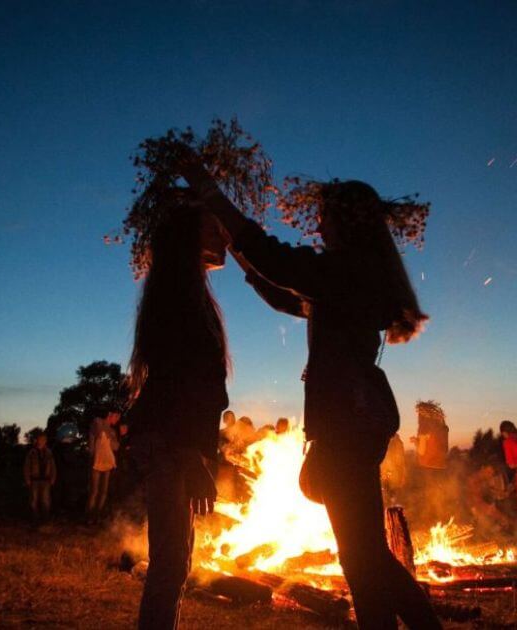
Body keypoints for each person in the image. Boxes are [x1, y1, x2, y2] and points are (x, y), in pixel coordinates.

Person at [185, 162, 441, 629]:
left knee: (363, 558)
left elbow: (281, 263)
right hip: (350, 426)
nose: (318, 224)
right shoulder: (349, 278)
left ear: (345, 222)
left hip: (348, 427)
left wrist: (211, 192)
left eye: (325, 216)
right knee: (366, 555)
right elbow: (287, 294)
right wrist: (242, 255)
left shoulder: (349, 272)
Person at [124, 206, 230, 630]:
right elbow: (179, 383)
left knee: (175, 562)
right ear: (190, 240)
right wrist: (191, 456)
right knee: (170, 563)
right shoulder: (177, 299)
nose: (222, 236)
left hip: (171, 442)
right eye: (212, 229)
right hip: (171, 443)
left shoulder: (182, 293)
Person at [87, 410, 120, 519]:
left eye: (118, 418)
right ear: (110, 415)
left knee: (103, 492)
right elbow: (97, 431)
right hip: (96, 462)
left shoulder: (112, 432)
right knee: (94, 491)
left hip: (107, 464)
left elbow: (116, 447)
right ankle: (90, 515)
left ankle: (98, 514)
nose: (117, 419)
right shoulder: (98, 422)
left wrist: (109, 440)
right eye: (116, 416)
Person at [24, 430, 57, 523]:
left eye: (43, 439)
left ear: (45, 441)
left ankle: (45, 519)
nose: (41, 441)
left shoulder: (49, 453)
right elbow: (26, 467)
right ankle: (35, 519)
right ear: (37, 440)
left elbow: (53, 466)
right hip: (34, 480)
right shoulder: (32, 453)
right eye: (40, 439)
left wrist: (53, 478)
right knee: (33, 501)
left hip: (46, 480)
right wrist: (27, 479)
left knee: (45, 500)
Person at [412, 401, 449, 472]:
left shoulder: (424, 426)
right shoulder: (442, 425)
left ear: (422, 413)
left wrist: (416, 442)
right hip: (442, 467)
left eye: (419, 413)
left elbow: (421, 451)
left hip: (428, 467)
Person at [380, 433, 408, 505]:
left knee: (392, 492)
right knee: (386, 491)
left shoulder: (397, 442)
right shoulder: (386, 440)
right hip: (386, 472)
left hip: (393, 473)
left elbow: (401, 460)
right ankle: (388, 505)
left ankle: (391, 507)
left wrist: (402, 475)